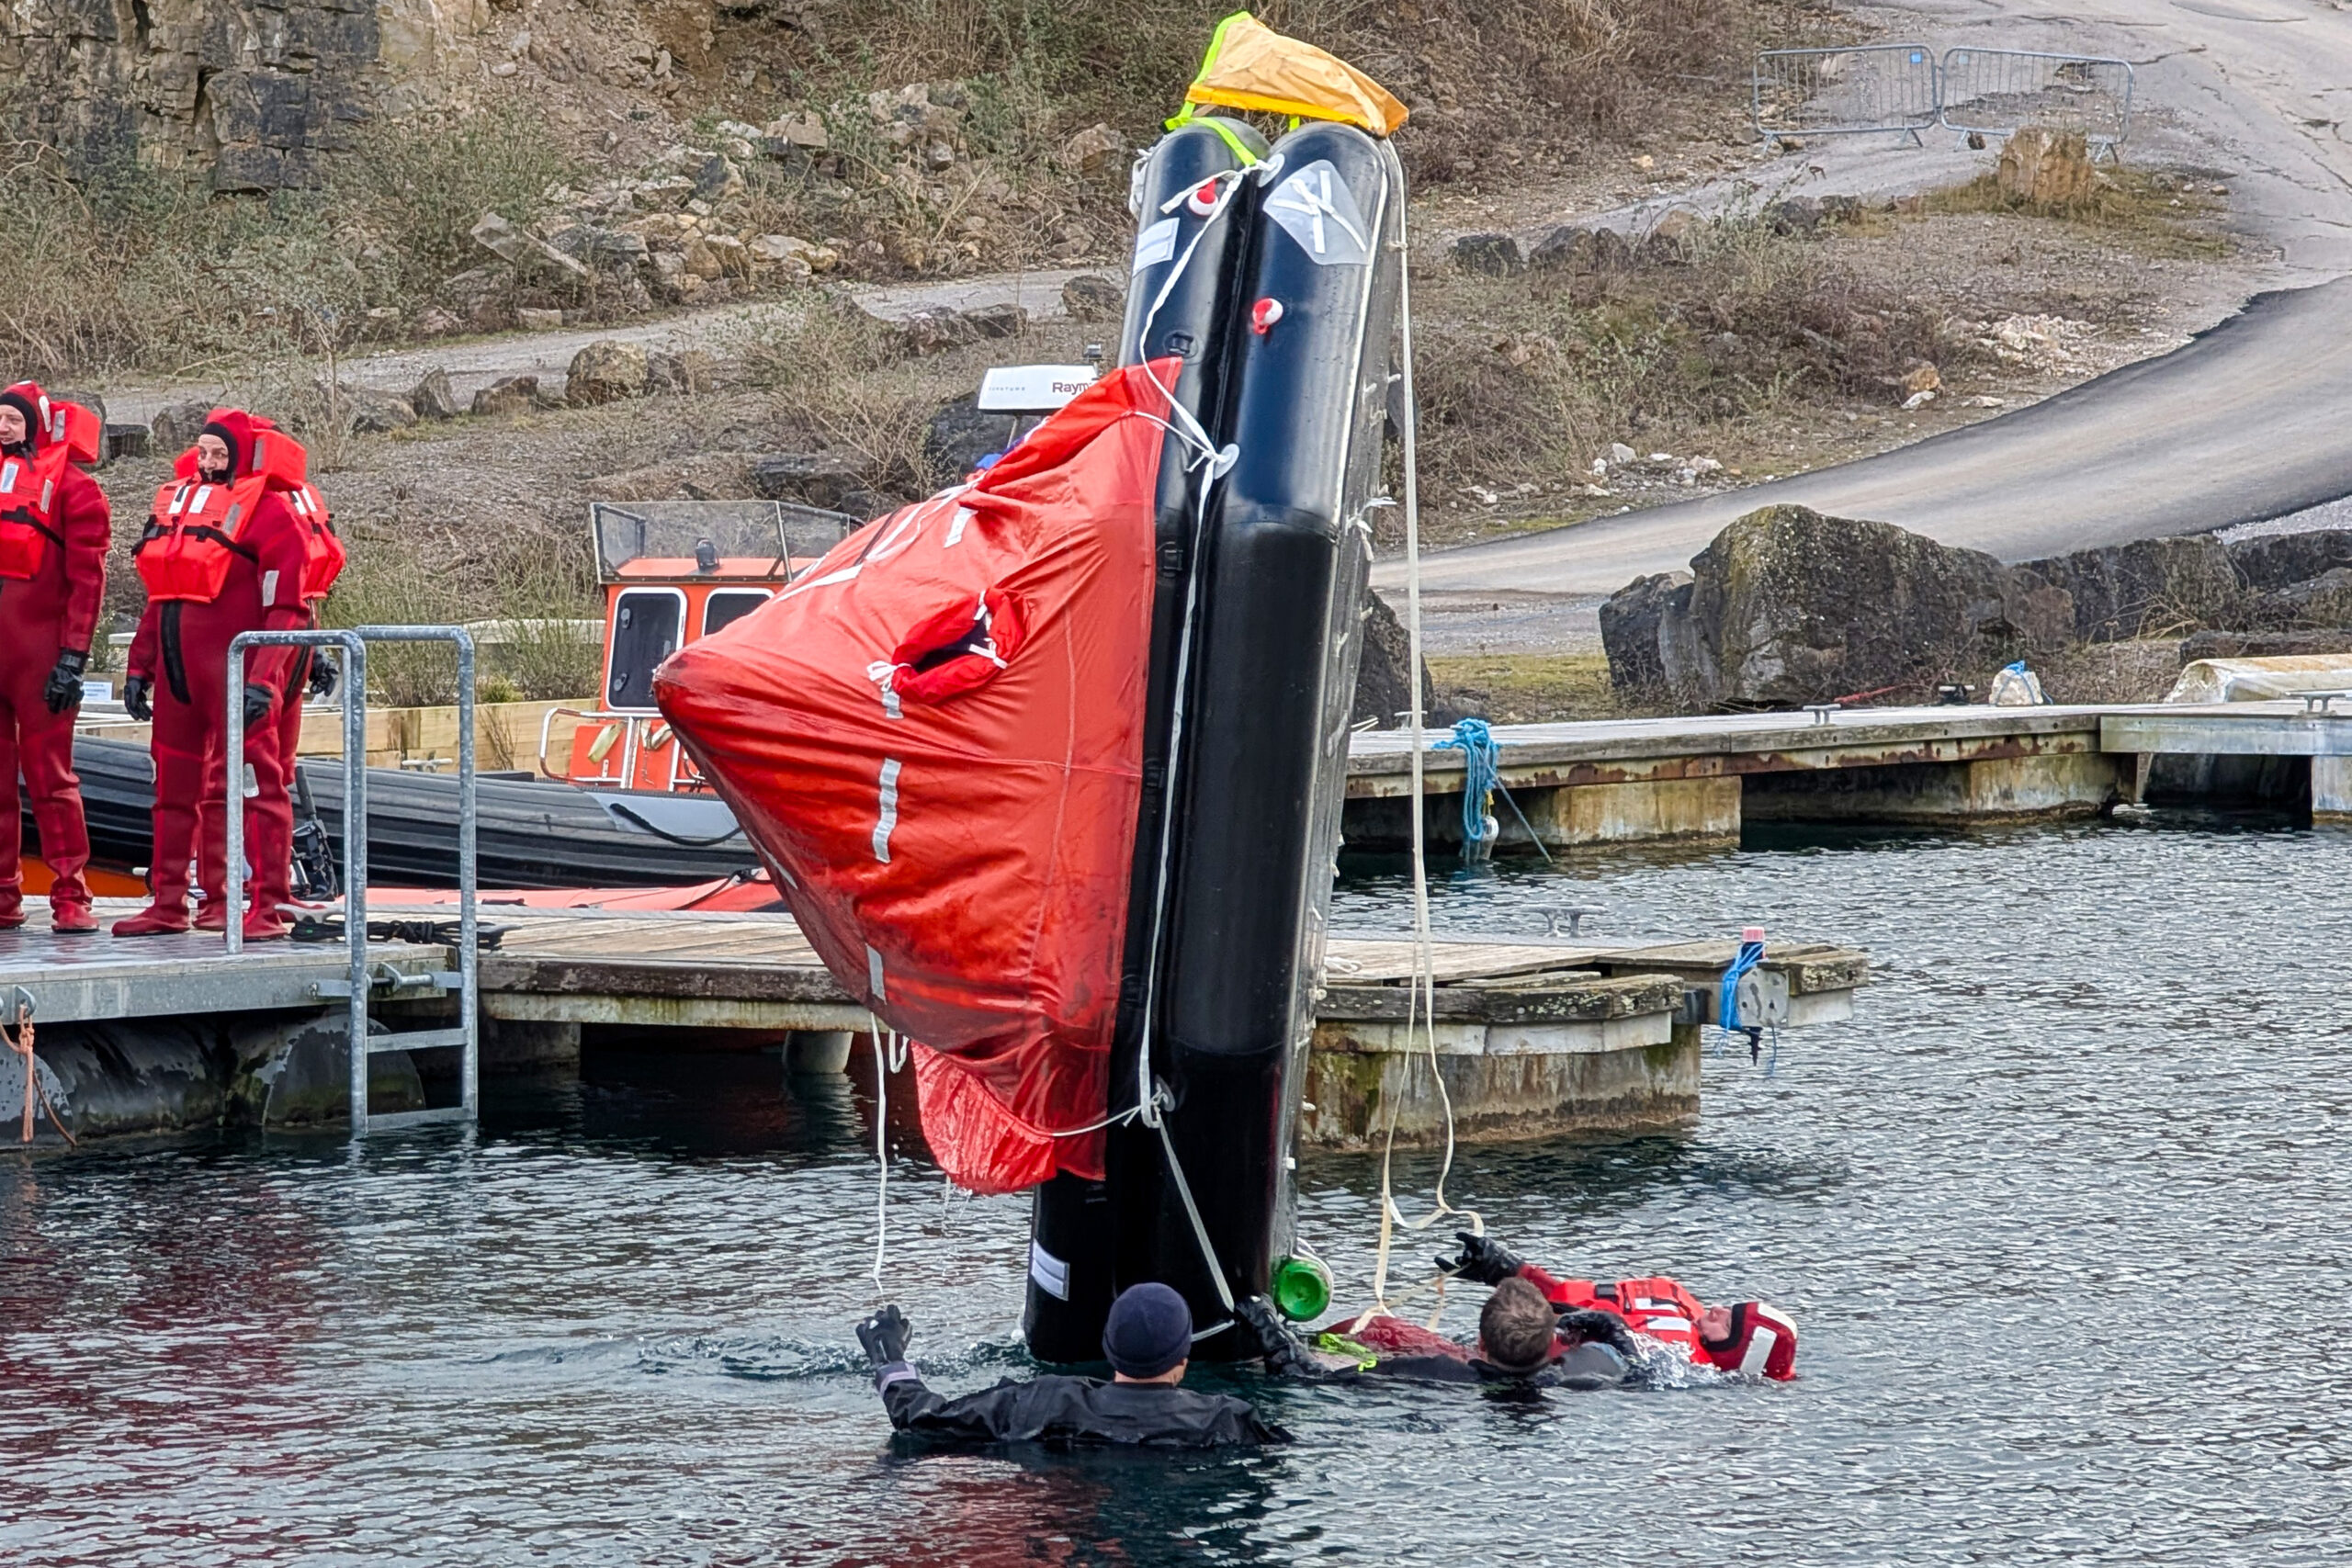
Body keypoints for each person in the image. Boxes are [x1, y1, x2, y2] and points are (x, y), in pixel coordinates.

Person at [114, 409, 312, 940]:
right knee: (173, 791)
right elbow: (160, 593)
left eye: (220, 454)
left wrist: (264, 679)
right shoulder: (181, 509)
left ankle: (267, 904)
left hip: (237, 675)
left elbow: (288, 609)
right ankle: (171, 901)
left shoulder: (271, 516)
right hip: (181, 678)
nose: (208, 464)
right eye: (203, 453)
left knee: (254, 788)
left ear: (242, 458)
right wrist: (140, 665)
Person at [857, 1282, 1288, 1446]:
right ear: (1183, 1358)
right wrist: (1279, 1344)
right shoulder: (1227, 1420)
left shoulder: (1041, 1400)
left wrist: (887, 1354)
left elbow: (921, 1419)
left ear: (1108, 1346)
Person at [0, 381, 108, 934]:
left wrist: (73, 655)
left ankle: (72, 893)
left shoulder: (75, 489)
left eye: (12, 421)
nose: (2, 428)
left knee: (52, 779)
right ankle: (3, 895)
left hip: (41, 658)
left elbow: (87, 581)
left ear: (35, 426)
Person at [1442, 1232, 1800, 1381]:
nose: (1719, 1308)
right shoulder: (1676, 1307)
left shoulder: (1682, 1368)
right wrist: (1511, 1271)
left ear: (1736, 1352)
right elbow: (1581, 1298)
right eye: (1730, 1307)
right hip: (1522, 1348)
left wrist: (1617, 1334)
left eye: (1730, 1323)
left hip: (1532, 1369)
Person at [1237, 1279, 1634, 1391]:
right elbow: (1614, 1330)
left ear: (1481, 1342)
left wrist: (1268, 1329)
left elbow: (1307, 1377)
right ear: (1555, 1337)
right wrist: (1582, 1318)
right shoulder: (1590, 1365)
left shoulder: (1438, 1371)